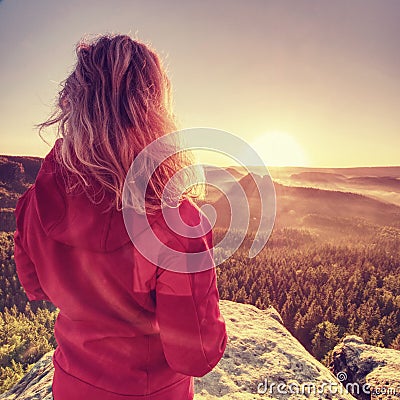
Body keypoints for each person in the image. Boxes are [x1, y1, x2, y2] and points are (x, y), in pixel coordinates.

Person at [14, 34, 227, 400]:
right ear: (154, 111)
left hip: (71, 385)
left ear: (74, 106)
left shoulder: (35, 203)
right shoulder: (175, 222)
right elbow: (196, 354)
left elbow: (34, 286)